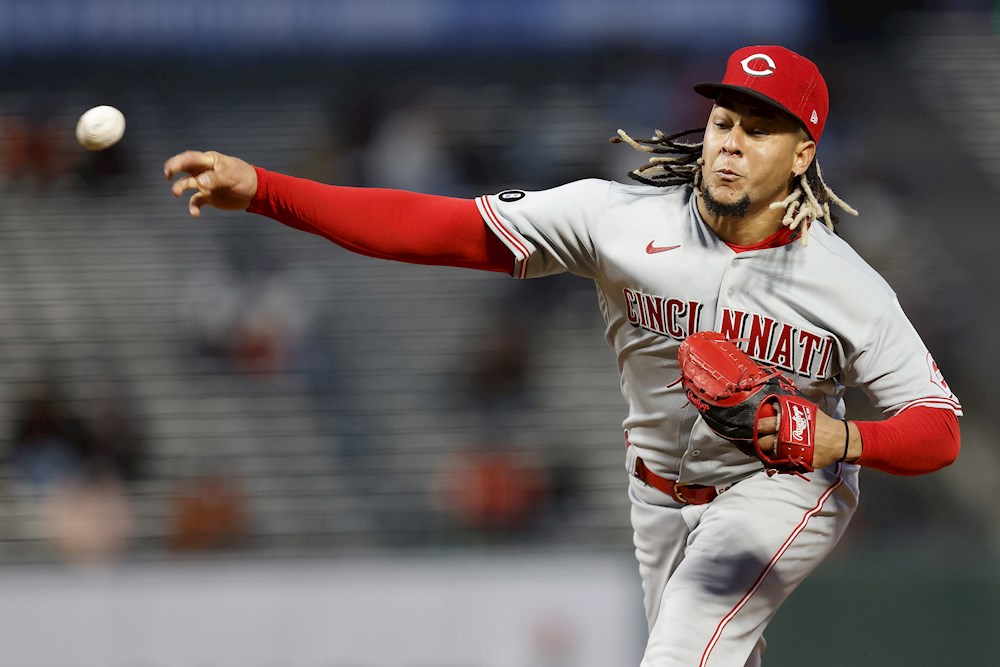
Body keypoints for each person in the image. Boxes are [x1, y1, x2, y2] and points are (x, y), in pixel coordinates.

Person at [164, 45, 962, 666]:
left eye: (759, 131)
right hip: (656, 494)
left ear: (800, 154)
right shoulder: (616, 219)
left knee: (682, 647)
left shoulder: (842, 282)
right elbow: (436, 228)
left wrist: (840, 439)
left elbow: (939, 428)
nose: (729, 144)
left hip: (784, 488)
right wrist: (266, 189)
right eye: (724, 121)